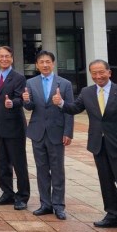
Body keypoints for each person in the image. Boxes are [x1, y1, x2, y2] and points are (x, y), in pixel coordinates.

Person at [55, 59, 117, 232]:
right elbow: (75, 108)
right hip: (98, 145)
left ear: (109, 72)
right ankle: (112, 214)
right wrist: (61, 103)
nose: (98, 76)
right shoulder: (87, 92)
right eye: (94, 73)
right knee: (106, 182)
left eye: (101, 72)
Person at [22, 50, 73, 220]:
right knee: (41, 169)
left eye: (48, 62)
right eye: (41, 62)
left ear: (53, 64)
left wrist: (68, 132)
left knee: (57, 170)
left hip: (56, 132)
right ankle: (45, 203)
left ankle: (58, 205)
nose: (45, 65)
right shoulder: (30, 82)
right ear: (37, 65)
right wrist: (26, 101)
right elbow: (29, 107)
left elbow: (70, 110)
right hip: (37, 132)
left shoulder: (64, 84)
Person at [0, 46, 30, 210]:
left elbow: (22, 99)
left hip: (14, 127)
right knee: (2, 163)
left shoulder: (18, 78)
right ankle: (7, 193)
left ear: (12, 59)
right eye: (1, 56)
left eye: (7, 56)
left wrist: (12, 103)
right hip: (0, 127)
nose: (4, 59)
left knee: (18, 163)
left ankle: (22, 196)